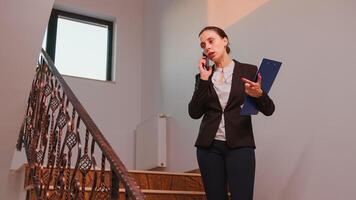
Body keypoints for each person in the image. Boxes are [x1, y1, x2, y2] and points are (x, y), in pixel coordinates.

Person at [188, 26, 275, 200]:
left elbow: (269, 109)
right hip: (209, 147)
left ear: (225, 40)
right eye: (203, 45)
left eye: (211, 41)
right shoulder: (203, 76)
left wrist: (259, 94)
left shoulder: (249, 71)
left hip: (240, 145)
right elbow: (194, 112)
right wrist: (204, 81)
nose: (207, 48)